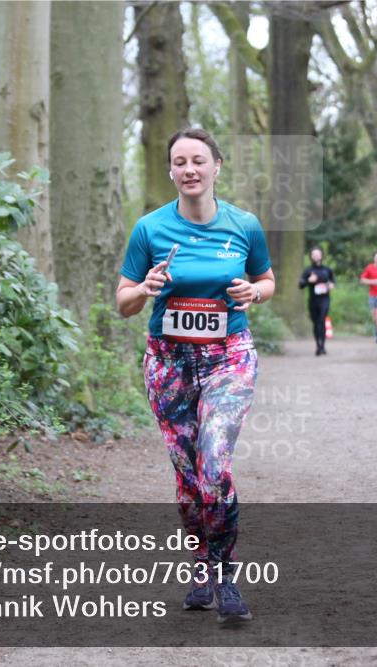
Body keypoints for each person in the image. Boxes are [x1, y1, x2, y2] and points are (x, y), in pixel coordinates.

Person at [115, 128, 275, 623]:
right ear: (170, 171)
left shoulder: (244, 225)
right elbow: (123, 303)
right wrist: (144, 287)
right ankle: (200, 568)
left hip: (229, 355)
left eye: (199, 161)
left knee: (213, 463)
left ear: (217, 167)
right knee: (188, 477)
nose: (190, 169)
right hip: (169, 361)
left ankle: (226, 574)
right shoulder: (149, 229)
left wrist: (255, 292)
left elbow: (266, 280)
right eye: (180, 162)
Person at [298, 246, 335, 356]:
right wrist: (309, 280)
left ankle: (322, 346)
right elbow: (301, 285)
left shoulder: (327, 270)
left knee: (322, 320)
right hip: (313, 300)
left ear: (322, 255)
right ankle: (318, 345)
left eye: (318, 254)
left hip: (325, 299)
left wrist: (331, 285)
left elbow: (333, 281)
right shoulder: (308, 270)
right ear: (311, 256)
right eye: (313, 254)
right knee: (316, 323)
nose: (316, 256)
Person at [360, 251, 377, 343]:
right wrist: (373, 281)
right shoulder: (369, 267)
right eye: (376, 258)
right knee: (375, 315)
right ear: (374, 259)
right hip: (372, 294)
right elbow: (362, 280)